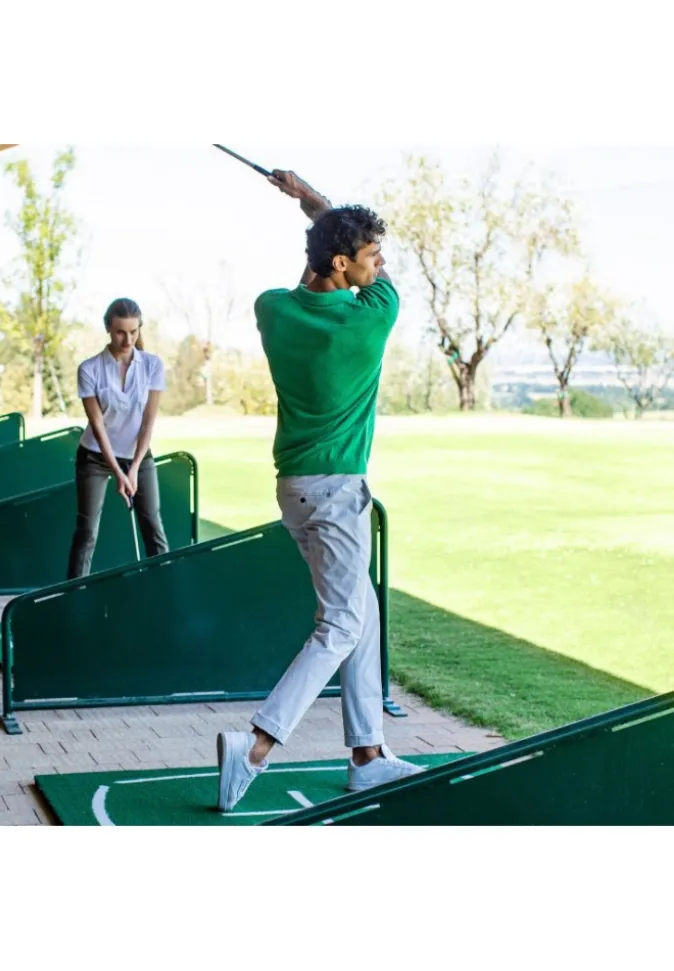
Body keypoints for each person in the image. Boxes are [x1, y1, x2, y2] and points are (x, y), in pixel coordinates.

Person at [216, 170, 425, 811]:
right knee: (339, 624)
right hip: (337, 493)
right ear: (343, 263)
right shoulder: (373, 317)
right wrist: (315, 203)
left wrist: (319, 218)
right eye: (371, 254)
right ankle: (256, 745)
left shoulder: (271, 310)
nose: (379, 264)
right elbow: (369, 277)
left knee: (363, 613)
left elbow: (308, 277)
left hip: (294, 490)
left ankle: (368, 756)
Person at [67, 298, 169, 579]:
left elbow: (148, 422)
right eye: (120, 332)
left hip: (138, 454)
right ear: (108, 330)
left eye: (134, 332)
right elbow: (98, 426)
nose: (128, 340)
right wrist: (118, 471)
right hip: (95, 456)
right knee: (87, 531)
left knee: (153, 526)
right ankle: (74, 594)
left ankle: (165, 589)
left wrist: (133, 469)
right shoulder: (89, 369)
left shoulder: (152, 365)